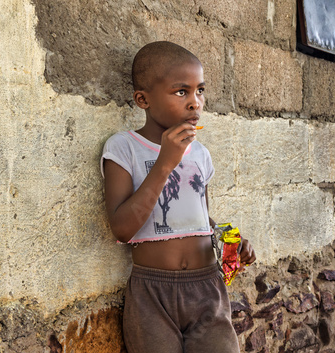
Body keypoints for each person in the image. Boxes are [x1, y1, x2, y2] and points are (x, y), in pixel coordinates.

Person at [101, 41, 256, 353]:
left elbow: (198, 215)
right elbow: (122, 228)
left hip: (207, 285)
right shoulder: (123, 148)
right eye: (181, 91)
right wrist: (165, 163)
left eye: (200, 90)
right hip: (153, 293)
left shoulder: (200, 153)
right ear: (143, 99)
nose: (195, 103)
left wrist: (228, 237)